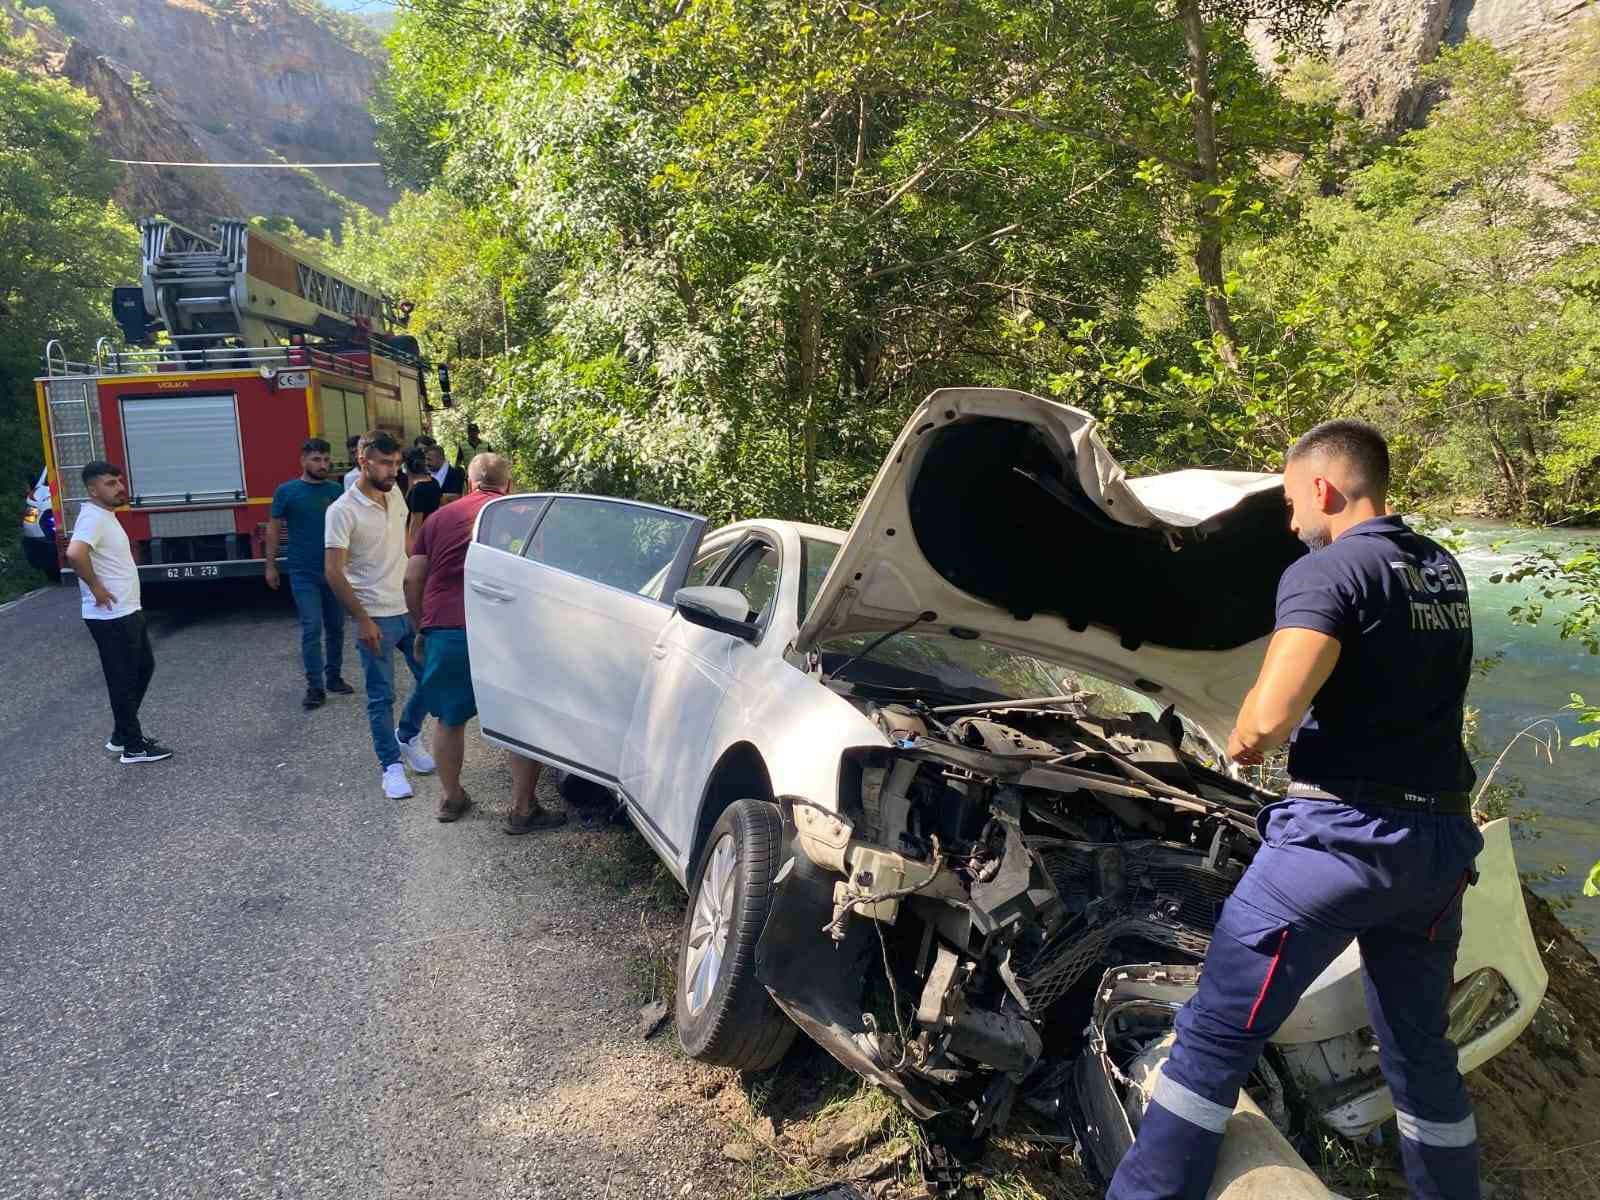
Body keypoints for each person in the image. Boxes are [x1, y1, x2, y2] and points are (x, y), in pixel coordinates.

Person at [1108, 421, 1483, 1200]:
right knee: (1420, 1056)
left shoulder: (1327, 571)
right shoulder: (1439, 567)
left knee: (1214, 1038)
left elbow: (1270, 717)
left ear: (1322, 488)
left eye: (1288, 502)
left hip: (1340, 843)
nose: (1288, 523)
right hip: (1439, 848)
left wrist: (1240, 742)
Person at [404, 453, 565, 832]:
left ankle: (452, 797)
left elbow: (413, 578)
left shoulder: (440, 518)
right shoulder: (524, 516)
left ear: (470, 483)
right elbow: (540, 577)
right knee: (520, 719)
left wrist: (421, 628)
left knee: (449, 718)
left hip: (447, 627)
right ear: (508, 485)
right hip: (507, 630)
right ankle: (522, 809)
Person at [324, 430, 436, 799]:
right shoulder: (342, 511)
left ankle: (406, 735)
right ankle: (390, 767)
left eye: (397, 463)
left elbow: (404, 544)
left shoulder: (396, 494)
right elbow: (333, 571)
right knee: (380, 695)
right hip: (375, 616)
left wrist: (424, 583)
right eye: (385, 463)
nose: (393, 470)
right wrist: (362, 619)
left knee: (432, 679)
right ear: (363, 460)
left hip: (408, 606)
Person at [65, 462, 172, 764]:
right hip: (111, 616)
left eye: (119, 482)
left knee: (142, 669)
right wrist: (96, 587)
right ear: (93, 489)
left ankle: (122, 735)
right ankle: (134, 748)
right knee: (122, 679)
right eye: (111, 483)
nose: (119, 487)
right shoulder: (92, 518)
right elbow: (74, 553)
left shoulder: (104, 516)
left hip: (126, 609)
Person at [266, 438, 353, 710]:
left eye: (326, 459)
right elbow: (273, 528)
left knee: (336, 627)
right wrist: (270, 564)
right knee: (312, 627)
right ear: (303, 461)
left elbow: (349, 528)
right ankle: (315, 686)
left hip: (334, 571)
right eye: (316, 459)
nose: (323, 464)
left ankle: (334, 677)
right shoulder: (287, 492)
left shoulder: (336, 490)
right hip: (303, 572)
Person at [403, 447, 442, 551]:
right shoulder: (434, 482)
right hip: (432, 535)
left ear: (407, 466)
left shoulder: (418, 490)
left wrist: (412, 554)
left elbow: (415, 525)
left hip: (420, 542)